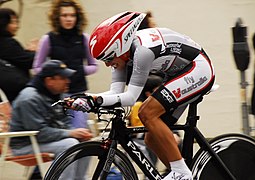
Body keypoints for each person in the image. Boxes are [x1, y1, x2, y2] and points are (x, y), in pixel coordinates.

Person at [71, 11, 215, 179]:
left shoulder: (142, 51)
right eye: (103, 60)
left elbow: (130, 98)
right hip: (178, 73)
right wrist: (86, 98)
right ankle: (181, 173)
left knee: (147, 113)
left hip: (198, 69)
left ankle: (181, 173)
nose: (108, 64)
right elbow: (115, 93)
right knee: (150, 139)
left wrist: (93, 101)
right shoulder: (123, 56)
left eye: (109, 58)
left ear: (120, 47)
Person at [9, 60, 93, 180]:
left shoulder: (57, 95)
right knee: (70, 145)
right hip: (25, 145)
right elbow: (39, 133)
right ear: (49, 81)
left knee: (86, 144)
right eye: (63, 78)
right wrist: (70, 133)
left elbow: (65, 122)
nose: (68, 81)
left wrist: (77, 133)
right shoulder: (29, 99)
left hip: (45, 141)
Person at [33, 0, 98, 129]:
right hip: (57, 95)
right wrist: (52, 75)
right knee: (63, 131)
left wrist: (80, 70)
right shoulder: (48, 39)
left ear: (77, 17)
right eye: (64, 15)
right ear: (58, 17)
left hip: (79, 92)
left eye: (72, 15)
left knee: (80, 129)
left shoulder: (84, 38)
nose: (69, 19)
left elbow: (94, 66)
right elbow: (37, 68)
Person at [0, 8, 38, 103]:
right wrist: (35, 51)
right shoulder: (7, 42)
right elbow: (27, 61)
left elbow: (17, 57)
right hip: (16, 93)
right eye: (13, 22)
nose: (17, 26)